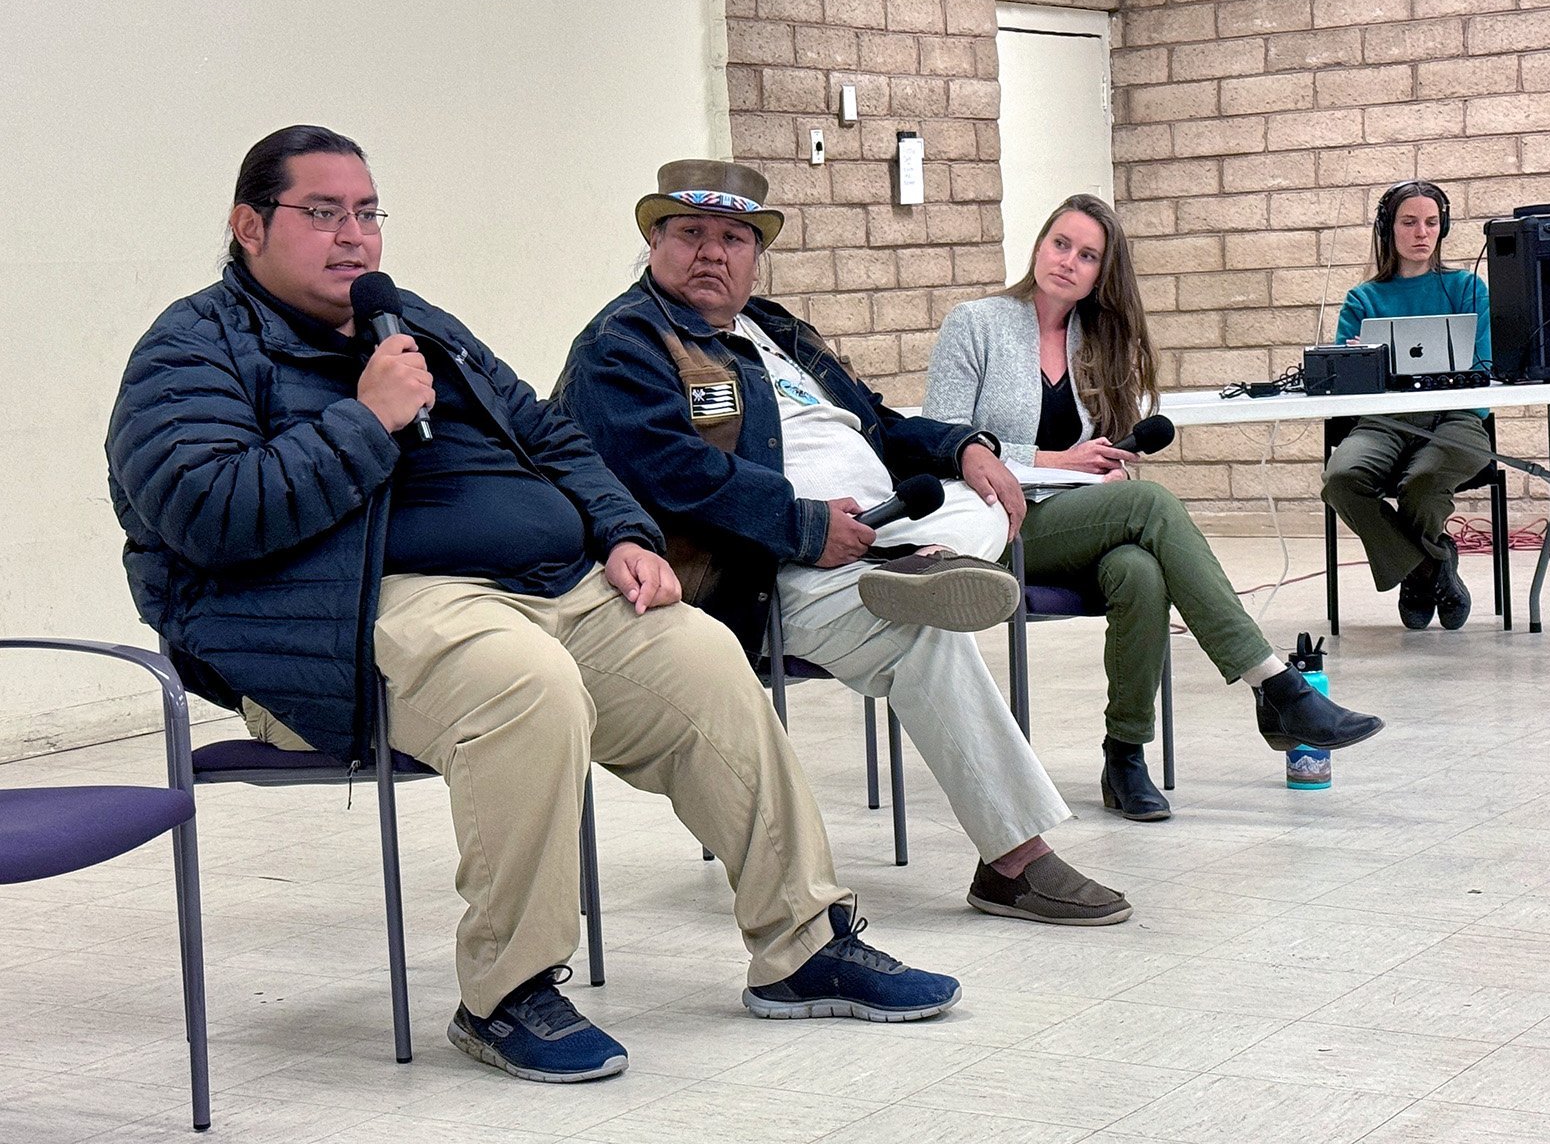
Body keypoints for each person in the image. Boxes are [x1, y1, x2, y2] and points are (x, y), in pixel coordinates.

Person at [105, 127, 960, 1086]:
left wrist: (625, 532)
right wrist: (367, 419)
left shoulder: (410, 320)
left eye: (367, 213)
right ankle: (505, 994)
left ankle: (803, 947)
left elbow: (550, 434)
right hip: (343, 612)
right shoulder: (192, 347)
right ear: (248, 226)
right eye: (323, 213)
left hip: (543, 587)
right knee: (527, 686)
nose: (354, 237)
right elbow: (210, 513)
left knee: (702, 659)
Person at [554, 159, 1131, 927]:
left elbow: (879, 422)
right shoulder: (623, 346)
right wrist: (805, 524)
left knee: (990, 497)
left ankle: (927, 564)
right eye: (690, 233)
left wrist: (963, 445)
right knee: (924, 637)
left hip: (873, 526)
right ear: (654, 241)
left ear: (756, 255)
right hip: (765, 562)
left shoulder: (778, 330)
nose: (712, 253)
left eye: (733, 238)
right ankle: (1015, 862)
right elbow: (670, 472)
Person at [923, 194, 1386, 822]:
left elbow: (1100, 453)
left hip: (1079, 519)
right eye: (1061, 243)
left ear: (1100, 275)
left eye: (1087, 256)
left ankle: (1125, 757)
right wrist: (1061, 461)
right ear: (1039, 245)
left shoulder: (1099, 341)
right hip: (994, 521)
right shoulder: (975, 322)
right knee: (1153, 506)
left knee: (1139, 571)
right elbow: (942, 439)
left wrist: (1102, 465)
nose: (1068, 262)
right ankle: (1275, 686)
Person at [1323, 180, 1493, 631]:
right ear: (1388, 229)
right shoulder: (1364, 299)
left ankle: (1417, 576)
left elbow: (1486, 364)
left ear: (1444, 227)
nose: (1422, 232)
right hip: (1383, 422)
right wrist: (1362, 363)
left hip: (1456, 418)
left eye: (1432, 222)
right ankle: (1430, 567)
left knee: (1423, 481)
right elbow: (1344, 381)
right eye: (1410, 222)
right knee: (1341, 479)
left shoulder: (1468, 288)